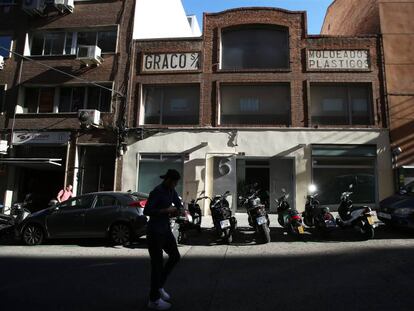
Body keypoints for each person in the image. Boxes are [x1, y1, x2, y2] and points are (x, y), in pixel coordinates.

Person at [144, 169, 182, 310]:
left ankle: (159, 286)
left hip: (165, 230)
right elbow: (147, 210)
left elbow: (177, 204)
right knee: (157, 265)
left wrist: (178, 209)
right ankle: (153, 300)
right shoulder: (157, 191)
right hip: (154, 231)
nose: (175, 185)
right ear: (168, 180)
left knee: (175, 256)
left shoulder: (171, 191)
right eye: (174, 182)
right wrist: (165, 211)